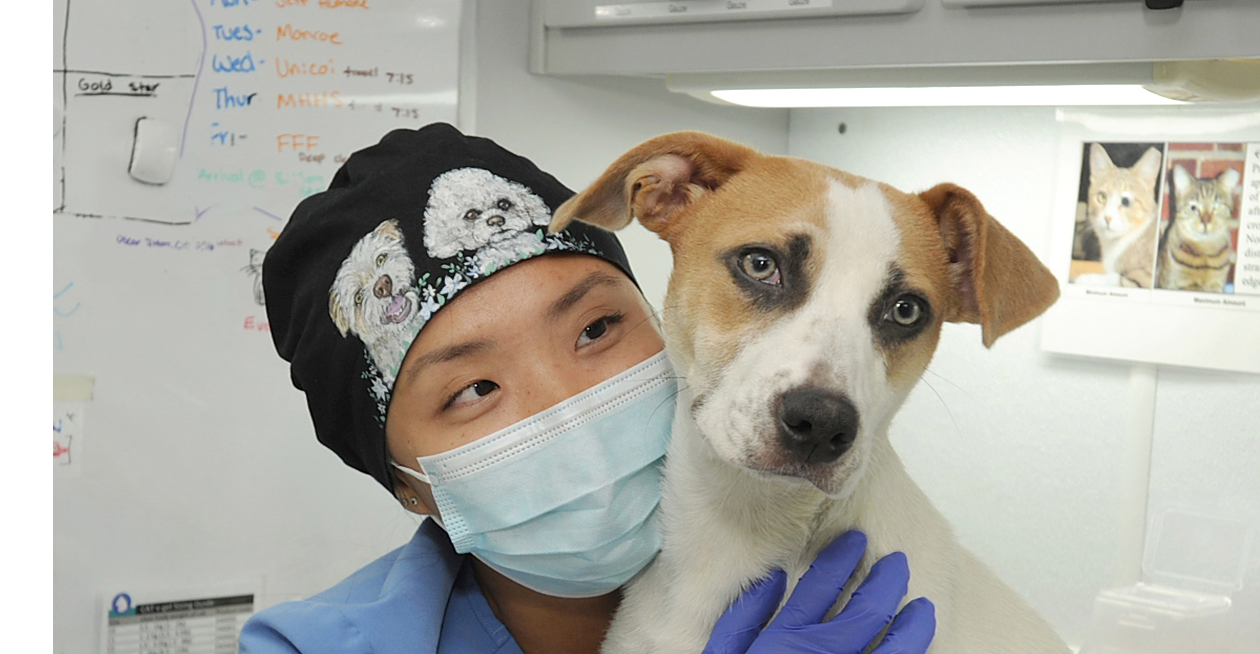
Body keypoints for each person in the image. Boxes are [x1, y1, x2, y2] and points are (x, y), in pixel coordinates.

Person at [240, 123, 936, 654]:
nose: (566, 403)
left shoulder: (851, 595)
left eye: (597, 328)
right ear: (408, 484)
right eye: (475, 388)